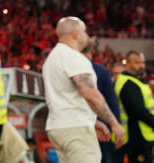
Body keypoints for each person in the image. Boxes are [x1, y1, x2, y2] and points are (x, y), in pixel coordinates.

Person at [42, 17, 125, 162]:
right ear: (75, 34)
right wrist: (114, 124)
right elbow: (90, 94)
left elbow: (67, 99)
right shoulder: (73, 57)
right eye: (84, 32)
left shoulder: (52, 58)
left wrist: (93, 121)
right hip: (76, 130)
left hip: (58, 127)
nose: (87, 36)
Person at [82, 39, 121, 163]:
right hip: (99, 129)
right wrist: (116, 126)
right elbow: (112, 103)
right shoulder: (101, 71)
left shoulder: (100, 72)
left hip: (93, 129)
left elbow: (112, 102)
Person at [114, 51, 154, 163]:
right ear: (127, 64)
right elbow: (139, 111)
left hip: (144, 133)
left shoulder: (137, 80)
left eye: (143, 62)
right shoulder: (128, 83)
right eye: (137, 62)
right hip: (137, 136)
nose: (141, 66)